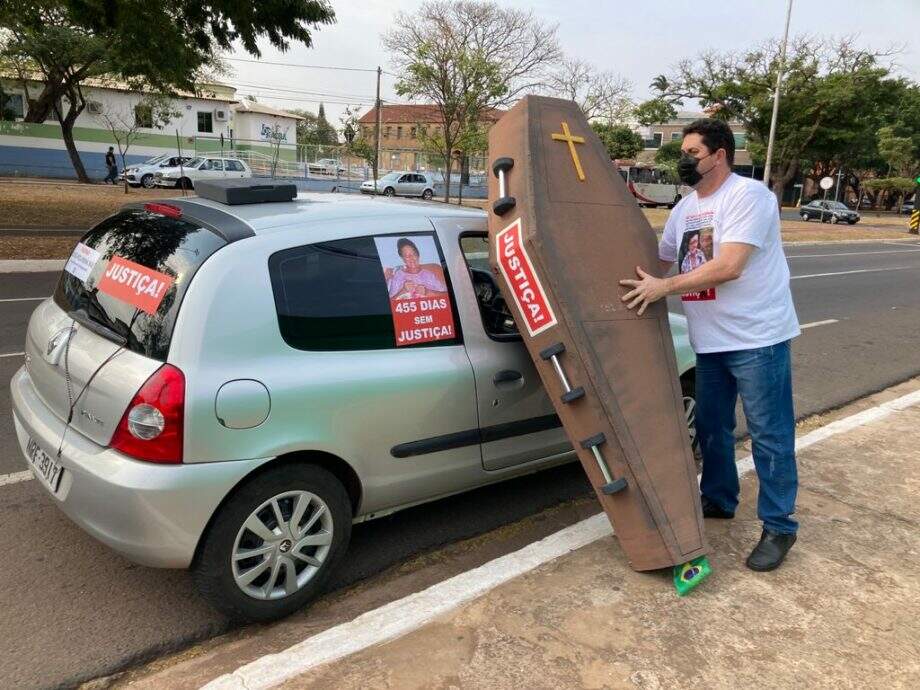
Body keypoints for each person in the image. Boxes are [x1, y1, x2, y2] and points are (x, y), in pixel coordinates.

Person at [619, 118, 801, 572]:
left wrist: (667, 288)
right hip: (710, 340)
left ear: (719, 155)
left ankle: (779, 526)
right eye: (683, 151)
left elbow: (730, 265)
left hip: (757, 337)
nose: (685, 160)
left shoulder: (749, 197)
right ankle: (719, 499)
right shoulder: (684, 209)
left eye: (692, 152)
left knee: (769, 434)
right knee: (714, 428)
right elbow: (657, 257)